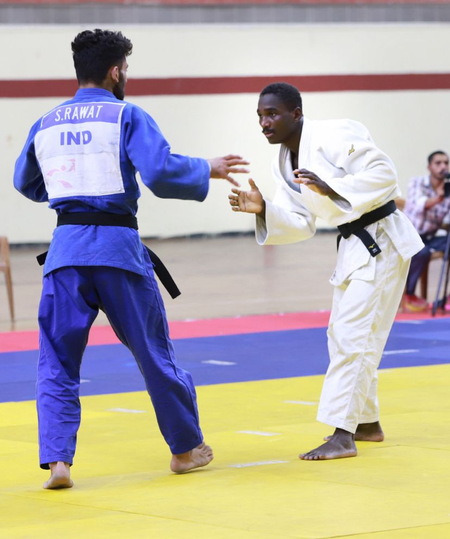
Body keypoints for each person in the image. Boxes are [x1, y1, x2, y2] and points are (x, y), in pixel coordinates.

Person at [14, 29, 249, 489]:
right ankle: (184, 449)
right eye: (126, 69)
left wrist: (67, 192)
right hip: (117, 251)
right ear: (116, 71)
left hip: (65, 253)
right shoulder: (126, 114)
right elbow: (159, 172)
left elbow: (25, 182)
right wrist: (207, 168)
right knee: (153, 353)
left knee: (56, 361)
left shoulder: (45, 123)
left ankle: (58, 462)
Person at [228, 82, 423, 460]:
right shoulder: (284, 162)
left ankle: (342, 434)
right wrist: (264, 208)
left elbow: (384, 173)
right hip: (353, 245)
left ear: (296, 113)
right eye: (260, 116)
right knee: (341, 335)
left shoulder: (334, 134)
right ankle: (366, 422)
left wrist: (331, 185)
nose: (264, 123)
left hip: (381, 238)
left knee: (354, 335)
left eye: (272, 114)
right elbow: (302, 222)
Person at [403, 151, 450, 311]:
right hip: (410, 235)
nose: (443, 166)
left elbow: (446, 221)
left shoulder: (448, 189)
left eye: (446, 163)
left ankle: (445, 298)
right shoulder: (417, 182)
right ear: (429, 167)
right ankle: (409, 294)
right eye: (438, 163)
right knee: (421, 251)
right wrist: (439, 198)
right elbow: (418, 205)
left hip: (431, 236)